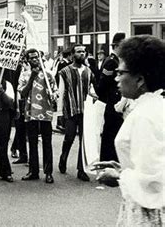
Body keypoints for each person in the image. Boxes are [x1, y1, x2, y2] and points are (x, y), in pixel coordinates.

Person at [94, 35, 165, 225]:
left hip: (147, 212)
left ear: (140, 79)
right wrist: (124, 167)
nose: (116, 78)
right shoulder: (152, 106)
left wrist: (119, 176)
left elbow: (154, 181)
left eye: (121, 73)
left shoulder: (145, 115)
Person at [57, 44, 97, 182]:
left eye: (84, 51)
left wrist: (93, 95)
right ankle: (63, 158)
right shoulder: (64, 71)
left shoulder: (88, 71)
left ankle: (81, 169)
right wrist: (59, 113)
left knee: (83, 140)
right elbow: (61, 92)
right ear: (73, 54)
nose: (82, 54)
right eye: (79, 51)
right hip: (70, 109)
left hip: (85, 110)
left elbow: (90, 89)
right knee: (69, 137)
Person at [18, 49, 57, 184]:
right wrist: (31, 78)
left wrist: (54, 96)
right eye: (31, 58)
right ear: (28, 60)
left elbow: (55, 91)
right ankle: (33, 171)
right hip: (30, 113)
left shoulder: (49, 75)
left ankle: (48, 172)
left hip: (45, 113)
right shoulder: (25, 75)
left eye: (36, 57)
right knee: (32, 143)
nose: (34, 60)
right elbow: (22, 93)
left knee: (47, 143)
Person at [97, 32, 126, 162]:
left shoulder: (117, 61)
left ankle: (112, 159)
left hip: (116, 101)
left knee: (114, 132)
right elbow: (103, 84)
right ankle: (106, 161)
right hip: (111, 102)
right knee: (109, 132)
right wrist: (108, 99)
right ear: (117, 46)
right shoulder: (110, 62)